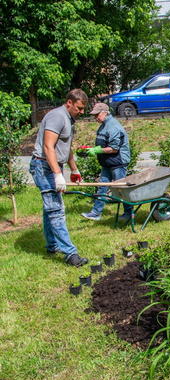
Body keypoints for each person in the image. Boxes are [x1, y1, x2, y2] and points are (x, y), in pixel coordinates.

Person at [29, 89, 89, 267]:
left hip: (53, 166)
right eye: (79, 108)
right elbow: (48, 147)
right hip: (43, 166)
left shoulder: (69, 120)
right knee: (56, 209)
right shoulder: (57, 116)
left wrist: (74, 169)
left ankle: (51, 245)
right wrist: (57, 174)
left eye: (83, 109)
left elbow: (65, 147)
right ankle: (70, 254)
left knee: (51, 208)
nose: (81, 112)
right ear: (69, 102)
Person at [81, 102, 132, 221]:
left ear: (105, 113)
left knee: (121, 189)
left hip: (118, 162)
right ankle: (96, 213)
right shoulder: (104, 125)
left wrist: (97, 150)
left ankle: (129, 213)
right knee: (102, 187)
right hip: (108, 162)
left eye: (97, 115)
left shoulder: (113, 126)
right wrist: (91, 149)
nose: (95, 117)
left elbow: (114, 149)